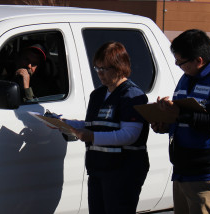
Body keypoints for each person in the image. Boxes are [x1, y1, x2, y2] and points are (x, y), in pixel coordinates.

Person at [151, 29, 210, 214]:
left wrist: (179, 114)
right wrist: (165, 123)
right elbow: (185, 117)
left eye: (181, 62)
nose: (178, 65)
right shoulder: (187, 79)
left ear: (199, 60)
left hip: (208, 175)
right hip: (183, 172)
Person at [63, 41, 150, 214]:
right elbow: (94, 125)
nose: (100, 73)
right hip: (98, 168)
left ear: (119, 67)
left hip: (123, 172)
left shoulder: (132, 95)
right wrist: (66, 124)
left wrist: (92, 137)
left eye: (104, 69)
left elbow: (129, 135)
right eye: (97, 68)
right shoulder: (98, 94)